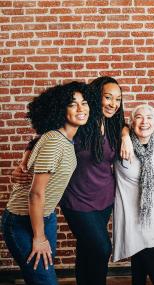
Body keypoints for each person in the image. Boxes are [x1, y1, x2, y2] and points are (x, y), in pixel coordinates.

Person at [12, 76, 128, 285]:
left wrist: (126, 134)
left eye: (118, 99)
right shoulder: (80, 123)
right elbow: (42, 138)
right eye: (108, 97)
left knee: (87, 249)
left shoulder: (114, 125)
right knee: (102, 248)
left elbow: (125, 124)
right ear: (95, 98)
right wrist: (23, 160)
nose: (113, 103)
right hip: (77, 199)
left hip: (104, 198)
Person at [2, 82, 90, 285]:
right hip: (23, 221)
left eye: (84, 103)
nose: (80, 108)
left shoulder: (65, 138)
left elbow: (35, 146)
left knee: (40, 278)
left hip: (45, 217)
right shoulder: (55, 140)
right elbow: (36, 194)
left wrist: (24, 161)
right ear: (60, 108)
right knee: (45, 281)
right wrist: (39, 237)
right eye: (72, 104)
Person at [112, 104, 154, 285]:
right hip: (129, 208)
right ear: (131, 122)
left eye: (149, 117)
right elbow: (115, 122)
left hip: (152, 207)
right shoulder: (120, 143)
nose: (144, 122)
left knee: (143, 253)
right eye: (139, 117)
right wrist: (124, 135)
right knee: (146, 252)